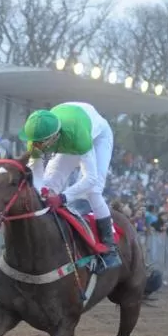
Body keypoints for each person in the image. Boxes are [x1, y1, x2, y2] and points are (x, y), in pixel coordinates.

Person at [18, 102, 121, 271]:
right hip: (70, 127)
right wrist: (44, 191)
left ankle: (110, 249)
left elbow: (91, 178)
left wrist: (62, 198)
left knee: (93, 192)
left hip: (96, 136)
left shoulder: (77, 137)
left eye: (40, 143)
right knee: (50, 184)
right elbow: (37, 174)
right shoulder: (36, 139)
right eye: (34, 143)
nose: (36, 147)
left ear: (53, 137)